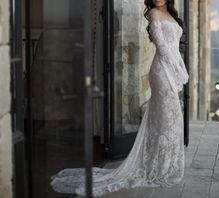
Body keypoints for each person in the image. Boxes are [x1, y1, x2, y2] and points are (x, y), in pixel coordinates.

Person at [50, 0, 189, 196]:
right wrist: (179, 72)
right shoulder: (153, 14)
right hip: (162, 71)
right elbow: (162, 46)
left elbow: (175, 47)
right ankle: (160, 168)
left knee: (168, 119)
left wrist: (181, 70)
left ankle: (162, 164)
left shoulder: (173, 16)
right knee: (169, 119)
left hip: (173, 71)